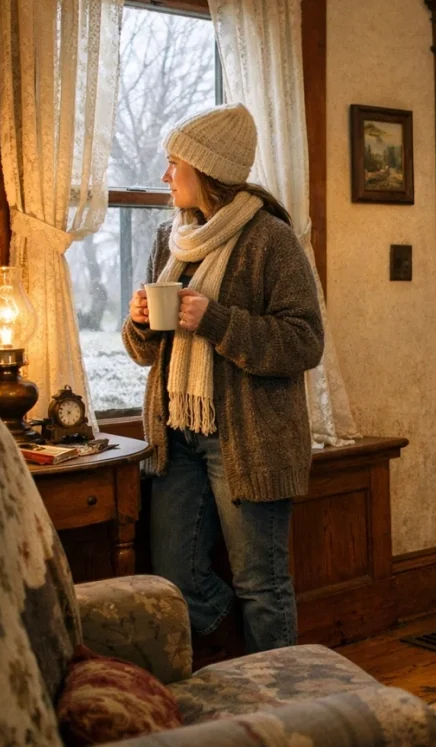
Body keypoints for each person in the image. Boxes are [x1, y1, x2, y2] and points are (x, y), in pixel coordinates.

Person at [122, 102, 323, 653]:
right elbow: (146, 354)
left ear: (205, 170)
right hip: (175, 438)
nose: (165, 176)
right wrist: (139, 322)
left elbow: (305, 341)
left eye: (173, 164)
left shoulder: (270, 239)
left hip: (249, 442)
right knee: (176, 580)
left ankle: (282, 706)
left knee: (262, 584)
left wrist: (215, 320)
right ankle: (242, 654)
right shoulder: (172, 241)